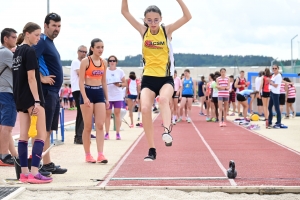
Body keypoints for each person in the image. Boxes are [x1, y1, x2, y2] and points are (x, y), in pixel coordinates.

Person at [121, 0, 192, 161]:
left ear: (160, 19)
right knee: (145, 109)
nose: (152, 23)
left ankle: (167, 131)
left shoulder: (167, 30)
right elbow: (125, 12)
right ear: (145, 20)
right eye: (149, 20)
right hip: (148, 78)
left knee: (164, 99)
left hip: (165, 78)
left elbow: (187, 17)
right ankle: (151, 149)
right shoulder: (143, 30)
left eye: (155, 20)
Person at [12, 22, 52, 183]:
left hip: (20, 97)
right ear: (27, 34)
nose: (38, 38)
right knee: (40, 134)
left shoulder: (17, 51)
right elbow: (31, 78)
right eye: (36, 35)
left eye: (40, 35)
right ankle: (34, 172)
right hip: (31, 97)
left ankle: (24, 173)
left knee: (23, 136)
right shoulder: (29, 51)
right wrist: (36, 100)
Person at [33, 13, 67, 174]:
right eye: (54, 25)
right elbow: (30, 60)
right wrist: (41, 77)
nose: (57, 29)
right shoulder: (42, 42)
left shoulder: (50, 43)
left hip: (53, 91)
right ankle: (37, 164)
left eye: (59, 26)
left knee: (48, 129)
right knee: (43, 129)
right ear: (45, 25)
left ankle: (47, 163)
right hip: (46, 91)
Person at [79, 38, 109, 163]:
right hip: (88, 91)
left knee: (100, 125)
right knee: (87, 126)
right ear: (92, 48)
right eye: (98, 47)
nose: (100, 50)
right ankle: (87, 154)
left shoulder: (104, 62)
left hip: (98, 92)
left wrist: (107, 98)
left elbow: (103, 81)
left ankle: (100, 154)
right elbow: (81, 81)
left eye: (102, 47)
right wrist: (85, 97)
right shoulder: (86, 61)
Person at [0, 28, 18, 166]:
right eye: (13, 37)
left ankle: (13, 155)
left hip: (2, 91)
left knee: (3, 126)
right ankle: (4, 155)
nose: (15, 39)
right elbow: (19, 69)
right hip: (7, 92)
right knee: (7, 125)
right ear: (5, 38)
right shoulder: (6, 52)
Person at [104, 55, 126, 140]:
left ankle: (117, 133)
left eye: (113, 61)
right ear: (108, 62)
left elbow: (125, 83)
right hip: (108, 95)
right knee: (107, 114)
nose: (112, 62)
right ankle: (107, 133)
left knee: (117, 114)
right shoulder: (105, 71)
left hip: (118, 95)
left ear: (116, 62)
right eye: (110, 60)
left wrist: (119, 84)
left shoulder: (120, 71)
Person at [71, 45, 87, 144]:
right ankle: (78, 136)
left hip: (83, 89)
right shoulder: (76, 62)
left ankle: (81, 135)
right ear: (78, 52)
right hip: (78, 89)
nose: (84, 53)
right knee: (81, 113)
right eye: (82, 51)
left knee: (83, 113)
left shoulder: (83, 63)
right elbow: (80, 74)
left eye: (85, 52)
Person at [267, 65, 283, 129]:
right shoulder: (273, 75)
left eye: (275, 68)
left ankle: (278, 121)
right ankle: (270, 121)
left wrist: (270, 82)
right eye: (273, 68)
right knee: (269, 107)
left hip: (275, 93)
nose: (274, 69)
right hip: (272, 92)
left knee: (277, 108)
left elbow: (276, 85)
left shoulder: (279, 76)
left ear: (278, 69)